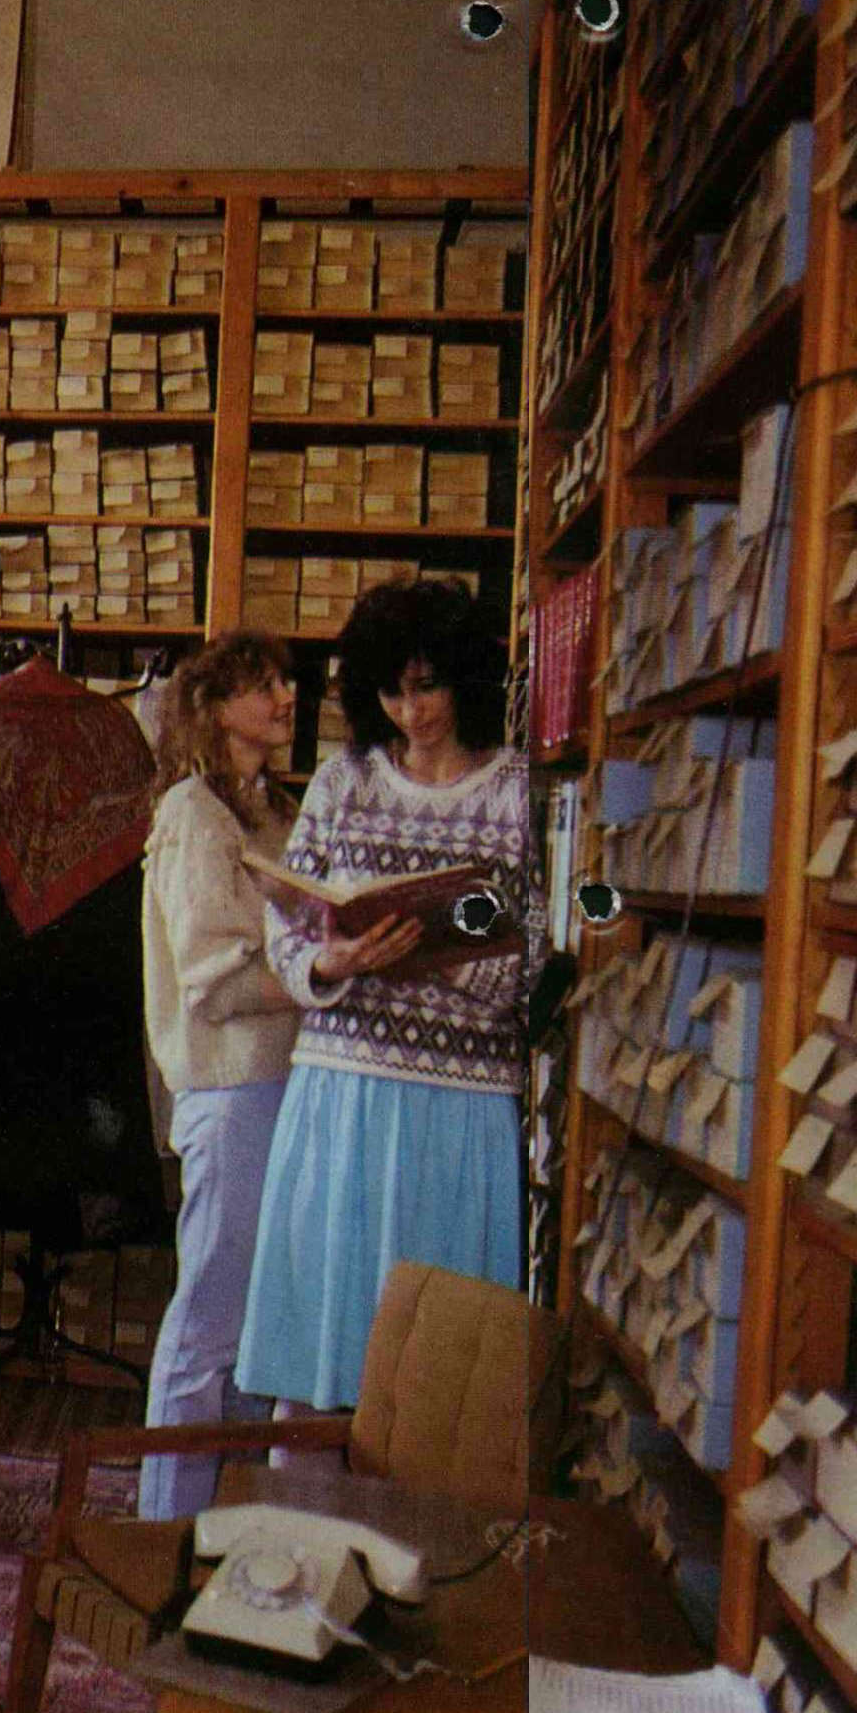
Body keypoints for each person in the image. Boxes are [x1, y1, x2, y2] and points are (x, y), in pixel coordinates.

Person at [234, 579, 536, 1413]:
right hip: (344, 1090)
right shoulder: (344, 781)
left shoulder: (518, 791)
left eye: (428, 686)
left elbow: (547, 945)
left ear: (465, 677)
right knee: (324, 1341)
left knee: (439, 1372)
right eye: (392, 693)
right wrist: (334, 962)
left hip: (463, 1100)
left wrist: (438, 957)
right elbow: (288, 925)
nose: (412, 711)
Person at [136, 632, 302, 1516]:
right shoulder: (193, 814)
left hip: (284, 1084)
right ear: (214, 708)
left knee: (254, 1328)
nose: (285, 697)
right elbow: (216, 981)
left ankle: (222, 1523)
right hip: (231, 1090)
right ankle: (164, 1522)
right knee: (208, 1316)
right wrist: (329, 973)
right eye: (263, 685)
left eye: (287, 682)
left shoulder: (275, 811)